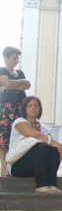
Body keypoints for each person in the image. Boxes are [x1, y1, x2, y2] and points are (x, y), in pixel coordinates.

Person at [6, 97, 62, 193]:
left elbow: (54, 151)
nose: (33, 108)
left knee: (52, 149)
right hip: (17, 166)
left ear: (40, 109)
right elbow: (35, 135)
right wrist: (56, 144)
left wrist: (60, 149)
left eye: (36, 105)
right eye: (30, 106)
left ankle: (51, 184)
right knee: (41, 146)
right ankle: (41, 185)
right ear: (25, 109)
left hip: (36, 167)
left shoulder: (44, 128)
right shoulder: (19, 122)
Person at [0, 46, 31, 177]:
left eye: (18, 58)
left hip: (20, 108)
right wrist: (17, 84)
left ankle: (17, 167)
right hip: (5, 109)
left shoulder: (20, 72)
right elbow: (7, 84)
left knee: (19, 136)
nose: (17, 60)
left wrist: (11, 84)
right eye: (14, 58)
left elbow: (27, 84)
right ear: (6, 58)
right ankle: (3, 167)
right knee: (3, 137)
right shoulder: (2, 70)